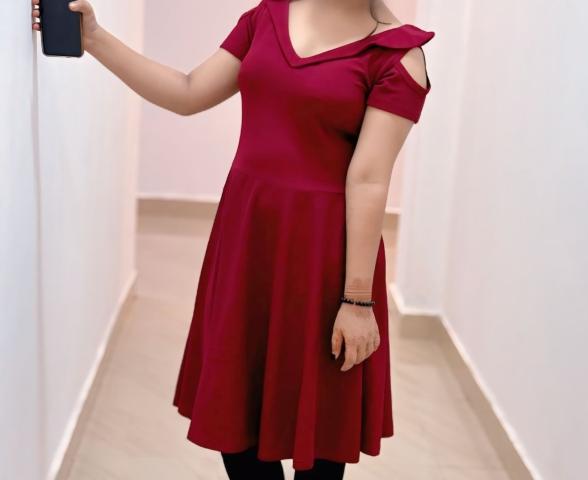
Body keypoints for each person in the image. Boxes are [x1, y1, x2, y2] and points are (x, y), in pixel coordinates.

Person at [32, 0, 434, 478]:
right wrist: (94, 38)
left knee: (319, 433)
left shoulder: (398, 57)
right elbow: (187, 92)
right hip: (248, 240)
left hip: (325, 258)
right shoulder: (267, 17)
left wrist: (358, 301)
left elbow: (368, 179)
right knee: (236, 423)